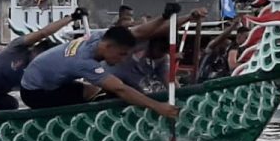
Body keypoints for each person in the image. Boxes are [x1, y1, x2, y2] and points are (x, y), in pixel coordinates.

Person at [18, 25, 180, 119]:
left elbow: (140, 31)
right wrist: (158, 107)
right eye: (122, 54)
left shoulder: (99, 37)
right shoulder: (84, 61)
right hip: (35, 93)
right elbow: (120, 88)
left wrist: (174, 17)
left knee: (96, 91)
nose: (123, 60)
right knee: (111, 91)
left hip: (49, 81)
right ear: (109, 47)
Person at [0, 10, 87, 112]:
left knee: (13, 104)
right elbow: (44, 33)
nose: (40, 62)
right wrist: (71, 17)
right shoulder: (18, 47)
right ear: (35, 49)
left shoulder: (35, 73)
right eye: (40, 57)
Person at [197, 17, 243, 82]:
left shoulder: (224, 56)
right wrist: (233, 25)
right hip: (204, 81)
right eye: (225, 42)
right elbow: (221, 38)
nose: (227, 45)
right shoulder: (210, 50)